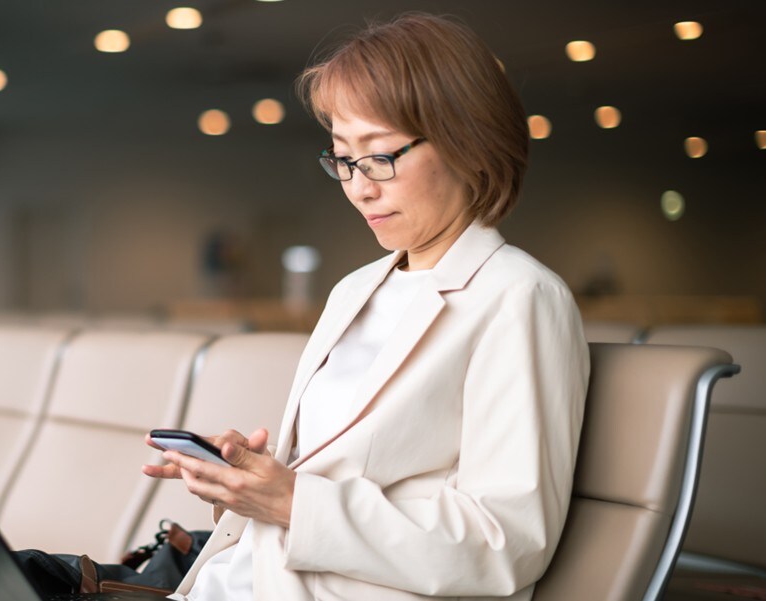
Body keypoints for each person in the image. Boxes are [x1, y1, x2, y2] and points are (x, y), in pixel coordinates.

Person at [142, 12, 590, 601]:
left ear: (470, 143)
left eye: (380, 156)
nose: (360, 186)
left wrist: (293, 501)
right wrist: (255, 475)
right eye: (343, 160)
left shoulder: (519, 297)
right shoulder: (356, 289)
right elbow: (364, 471)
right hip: (249, 579)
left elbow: (505, 544)